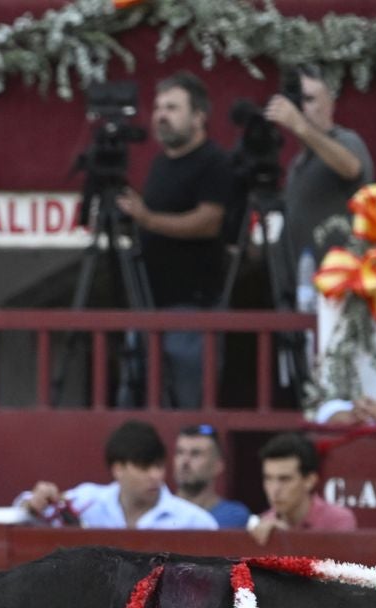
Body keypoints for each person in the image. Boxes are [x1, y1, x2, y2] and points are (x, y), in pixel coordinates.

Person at [114, 72, 233, 409]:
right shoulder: (160, 164)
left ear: (198, 117)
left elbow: (209, 222)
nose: (160, 115)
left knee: (189, 406)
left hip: (192, 309)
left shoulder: (213, 161)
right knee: (140, 400)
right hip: (150, 304)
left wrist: (147, 219)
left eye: (172, 108)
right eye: (157, 107)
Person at [270, 63, 371, 298]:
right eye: (297, 101)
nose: (301, 109)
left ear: (330, 104)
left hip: (340, 290)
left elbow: (351, 167)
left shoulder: (346, 140)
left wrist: (301, 127)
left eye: (310, 99)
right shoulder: (298, 162)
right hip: (304, 290)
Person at [12, 419, 217, 530]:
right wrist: (32, 503)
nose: (155, 475)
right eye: (144, 467)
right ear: (118, 469)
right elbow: (30, 514)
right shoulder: (87, 500)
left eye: (159, 466)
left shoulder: (196, 521)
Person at [249, 430, 356, 545]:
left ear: (309, 481)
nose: (274, 490)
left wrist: (288, 539)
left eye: (285, 479)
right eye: (268, 478)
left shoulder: (337, 521)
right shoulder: (263, 523)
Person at [171, 423, 252, 529]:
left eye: (195, 454)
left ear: (218, 465)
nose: (185, 461)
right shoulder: (156, 512)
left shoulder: (234, 517)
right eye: (180, 452)